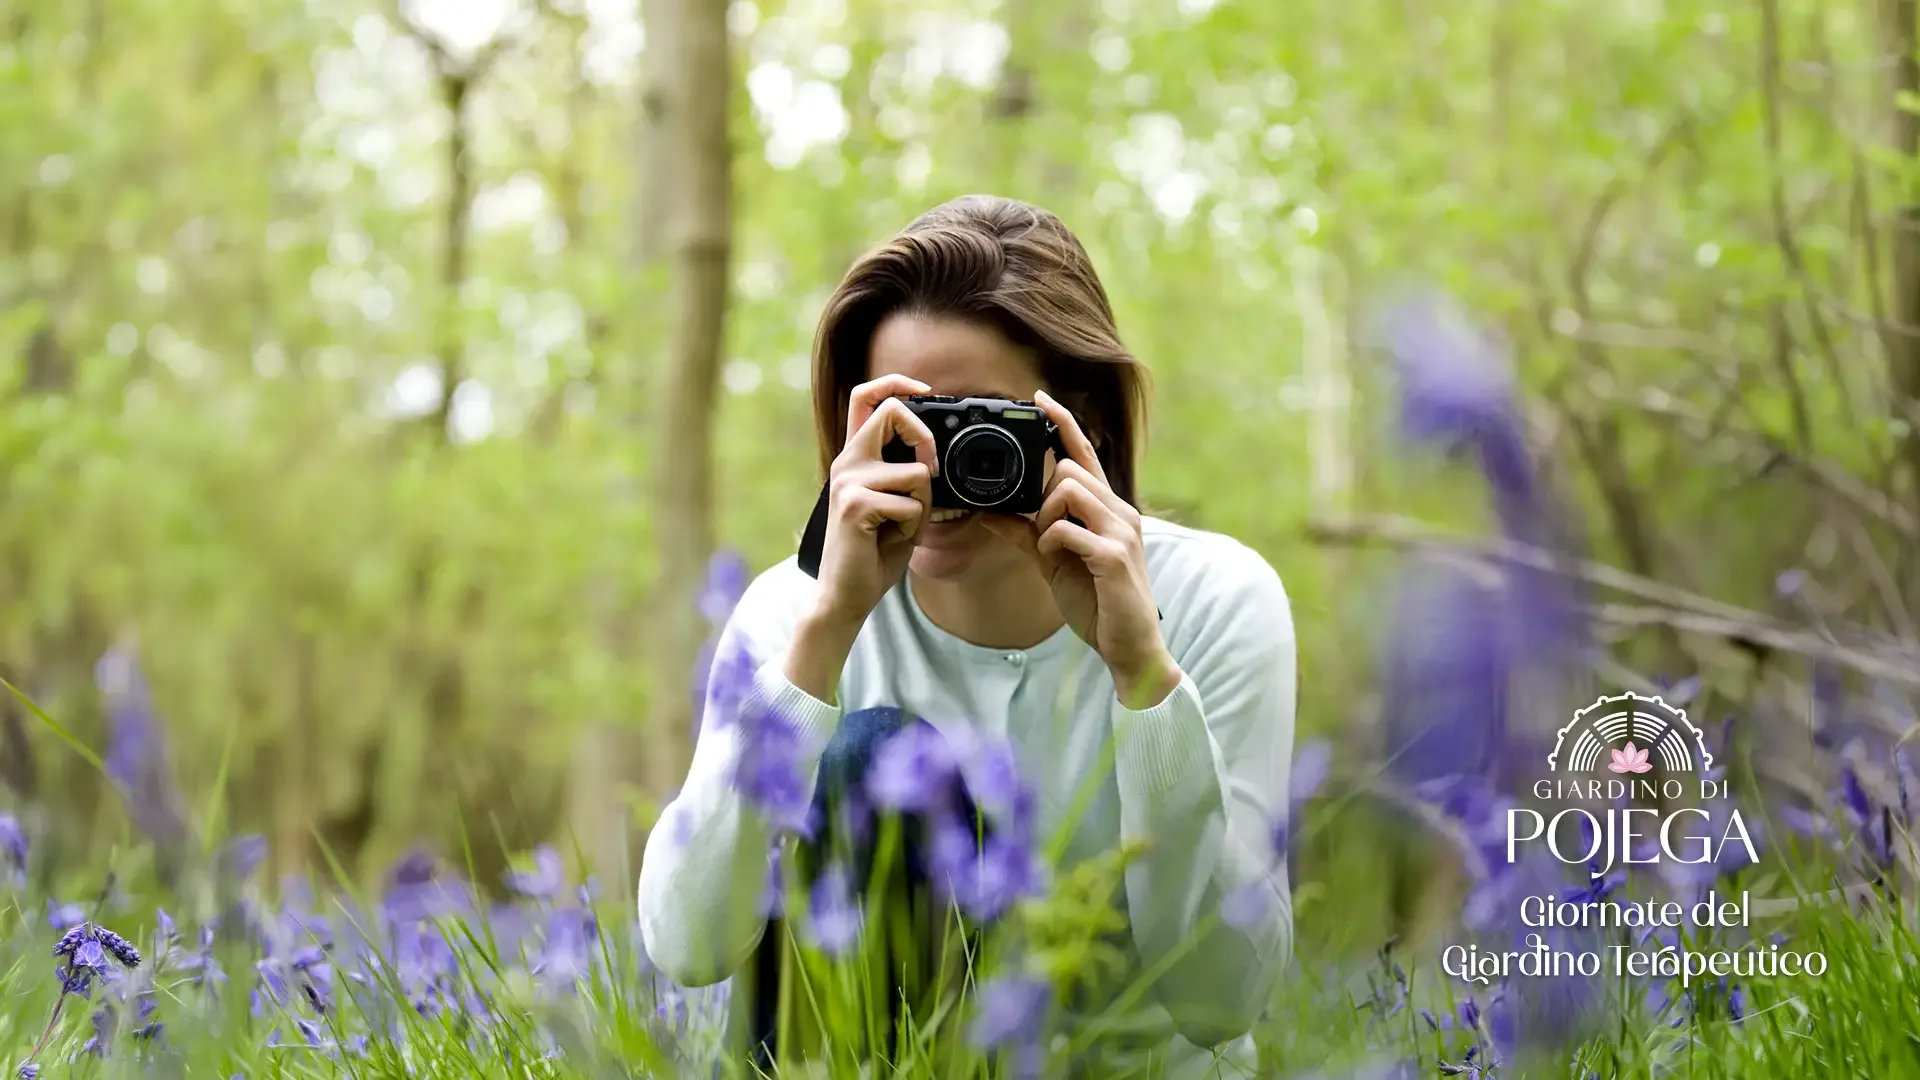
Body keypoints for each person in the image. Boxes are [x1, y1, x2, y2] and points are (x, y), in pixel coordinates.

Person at [636, 194, 1297, 1078]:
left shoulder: (1216, 600)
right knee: (871, 756)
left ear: (1084, 420)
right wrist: (825, 637)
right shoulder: (794, 611)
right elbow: (687, 946)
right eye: (903, 428)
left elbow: (1224, 1001)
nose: (936, 469)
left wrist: (1144, 675)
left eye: (978, 427)